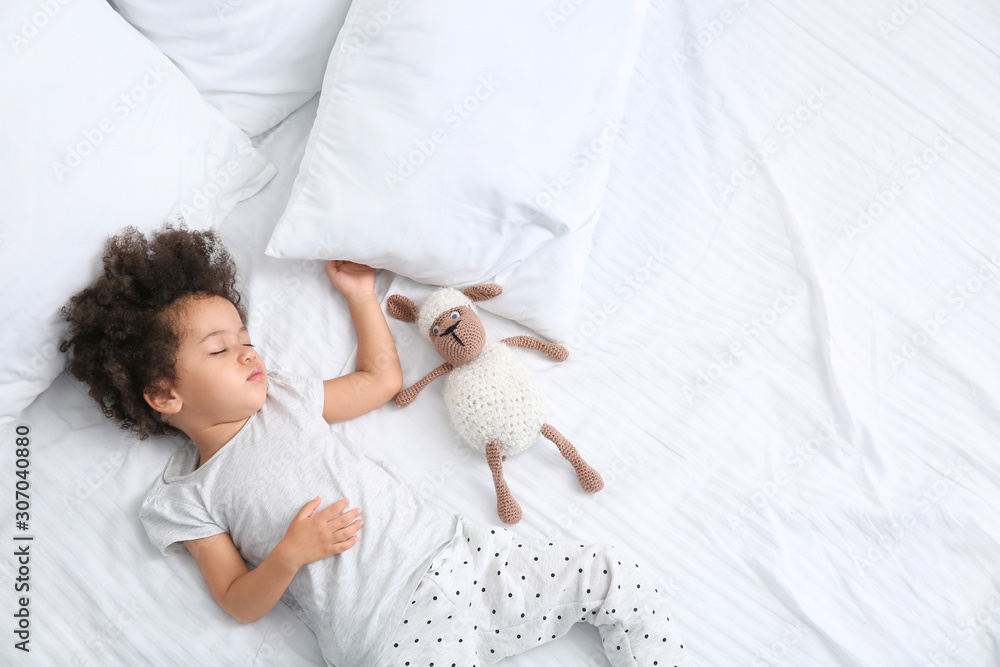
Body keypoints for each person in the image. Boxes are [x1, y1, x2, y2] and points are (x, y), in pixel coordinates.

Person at [60, 225, 688, 667]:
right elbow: (236, 602)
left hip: (461, 556)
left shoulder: (286, 397)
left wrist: (362, 297)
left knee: (613, 572)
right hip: (389, 628)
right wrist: (289, 555)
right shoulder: (186, 497)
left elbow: (381, 382)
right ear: (165, 395)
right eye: (220, 349)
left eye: (244, 335)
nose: (248, 351)